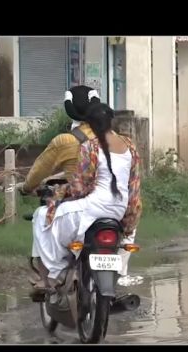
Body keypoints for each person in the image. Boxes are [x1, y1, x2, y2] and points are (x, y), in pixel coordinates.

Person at [29, 102, 142, 292]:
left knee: (41, 216)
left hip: (92, 208)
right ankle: (117, 275)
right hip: (119, 210)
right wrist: (130, 218)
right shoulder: (129, 146)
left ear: (89, 124)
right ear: (111, 122)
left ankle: (56, 273)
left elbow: (81, 187)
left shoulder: (90, 146)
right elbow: (134, 186)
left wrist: (59, 193)